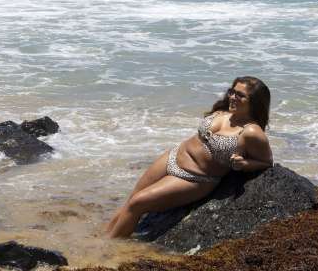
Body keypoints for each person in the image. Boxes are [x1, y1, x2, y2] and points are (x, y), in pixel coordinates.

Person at [104, 77, 274, 238]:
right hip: (173, 156)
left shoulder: (252, 132)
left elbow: (266, 162)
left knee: (138, 203)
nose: (232, 97)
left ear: (254, 101)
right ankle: (103, 237)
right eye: (232, 91)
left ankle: (108, 248)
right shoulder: (224, 112)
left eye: (240, 95)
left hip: (194, 177)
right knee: (132, 198)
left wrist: (244, 163)